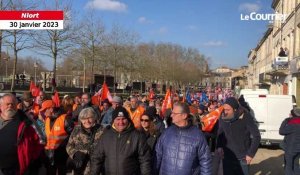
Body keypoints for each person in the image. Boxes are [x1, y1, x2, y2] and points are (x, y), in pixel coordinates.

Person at [90, 106, 152, 175]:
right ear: (113, 120)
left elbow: (145, 160)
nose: (121, 122)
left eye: (123, 119)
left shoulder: (137, 136)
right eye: (118, 119)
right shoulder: (106, 135)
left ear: (128, 119)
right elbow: (97, 158)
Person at [154, 102, 212, 175]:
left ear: (184, 116)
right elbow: (158, 156)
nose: (171, 115)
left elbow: (205, 162)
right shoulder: (166, 133)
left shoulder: (198, 136)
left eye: (174, 113)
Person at [0, 93, 44, 175]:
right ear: (1, 106)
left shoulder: (27, 121)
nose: (10, 106)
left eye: (12, 104)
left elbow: (41, 141)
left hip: (18, 169)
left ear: (17, 105)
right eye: (7, 104)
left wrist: (30, 158)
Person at [217, 97, 261, 175]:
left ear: (235, 109)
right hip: (227, 156)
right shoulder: (222, 116)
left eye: (228, 110)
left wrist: (250, 154)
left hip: (242, 157)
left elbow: (256, 136)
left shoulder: (246, 117)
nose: (225, 112)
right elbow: (220, 132)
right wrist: (219, 146)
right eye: (224, 109)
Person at [66, 107, 104, 175]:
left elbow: (106, 149)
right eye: (84, 119)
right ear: (80, 119)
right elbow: (69, 146)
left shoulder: (102, 130)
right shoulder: (77, 129)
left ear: (94, 118)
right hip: (79, 169)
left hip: (96, 169)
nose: (87, 121)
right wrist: (75, 154)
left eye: (90, 118)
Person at [41, 100, 74, 175]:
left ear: (51, 109)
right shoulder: (47, 120)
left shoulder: (65, 119)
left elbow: (73, 136)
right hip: (49, 155)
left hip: (62, 155)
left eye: (45, 110)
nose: (43, 112)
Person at [279, 107, 300, 175]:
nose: (289, 114)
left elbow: (281, 131)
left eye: (290, 114)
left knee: (288, 167)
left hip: (291, 149)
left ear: (293, 115)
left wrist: (285, 121)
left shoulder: (293, 124)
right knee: (296, 165)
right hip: (298, 149)